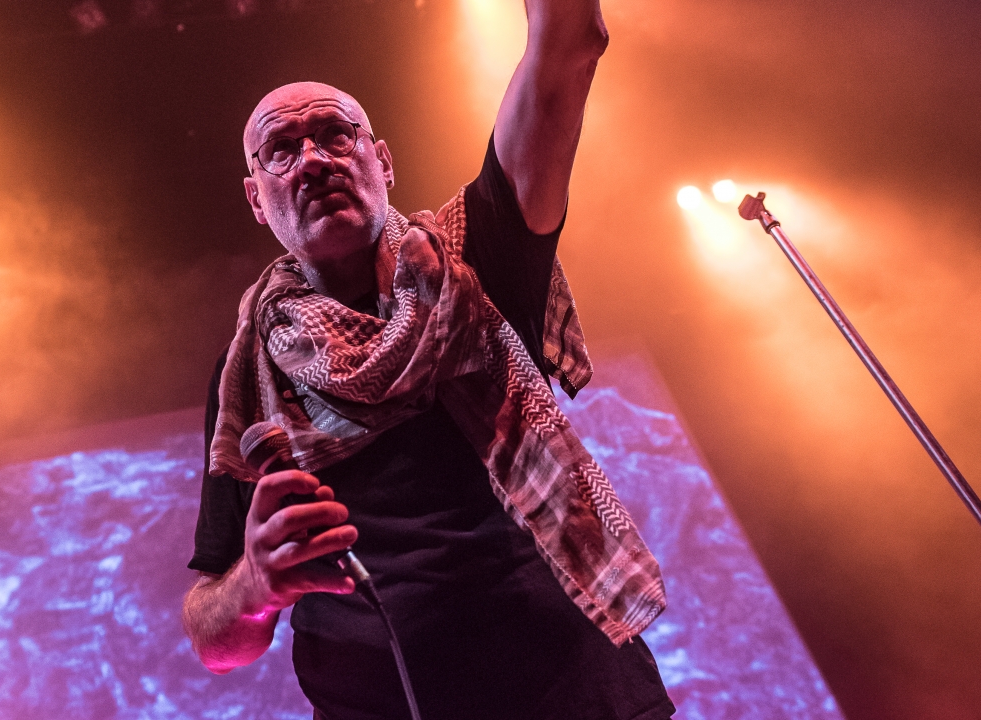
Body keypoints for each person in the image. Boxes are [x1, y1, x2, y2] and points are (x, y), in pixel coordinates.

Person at [181, 0, 675, 717]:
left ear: (382, 160)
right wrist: (255, 584)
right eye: (282, 149)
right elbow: (214, 640)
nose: (313, 159)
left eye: (335, 134)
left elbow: (571, 41)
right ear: (258, 200)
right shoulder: (249, 372)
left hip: (578, 696)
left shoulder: (474, 259)